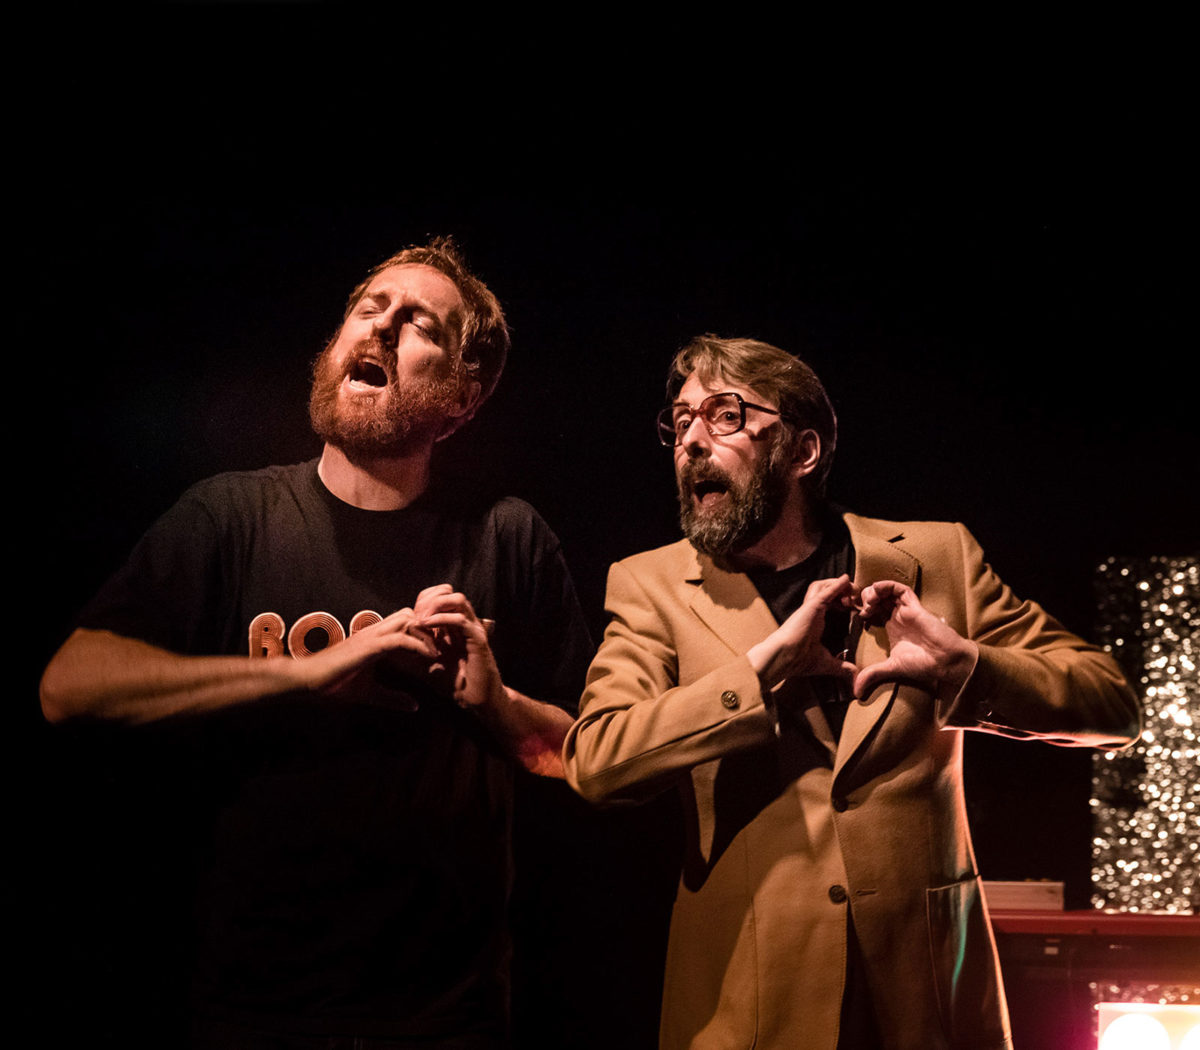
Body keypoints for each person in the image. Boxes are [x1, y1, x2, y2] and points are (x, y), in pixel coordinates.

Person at [40, 237, 594, 1049]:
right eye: (368, 308)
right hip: (252, 1007)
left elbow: (593, 758)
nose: (381, 327)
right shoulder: (230, 517)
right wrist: (308, 673)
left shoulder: (507, 537)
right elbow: (70, 686)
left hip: (448, 1016)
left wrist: (500, 707)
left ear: (463, 399)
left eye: (420, 325)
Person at [561, 335, 1140, 1050]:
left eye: (724, 415)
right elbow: (597, 760)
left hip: (921, 1004)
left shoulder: (936, 558)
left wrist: (965, 665)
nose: (691, 441)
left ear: (802, 451)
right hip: (751, 1009)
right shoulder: (649, 584)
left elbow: (1112, 705)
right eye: (680, 422)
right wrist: (762, 670)